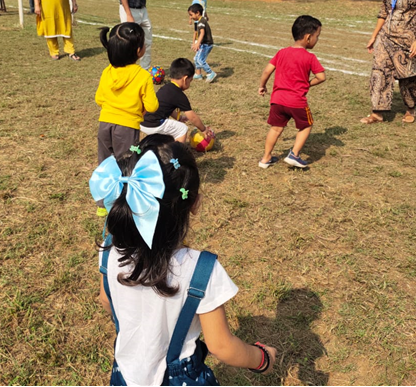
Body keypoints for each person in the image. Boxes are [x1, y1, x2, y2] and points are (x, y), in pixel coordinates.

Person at [90, 134, 278, 386]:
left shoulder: (109, 249)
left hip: (124, 373)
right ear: (194, 204)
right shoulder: (201, 270)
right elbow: (221, 346)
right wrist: (262, 358)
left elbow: (106, 300)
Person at [95, 23, 159, 217]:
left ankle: (102, 203)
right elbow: (153, 106)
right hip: (127, 128)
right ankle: (123, 203)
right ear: (139, 51)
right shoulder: (143, 76)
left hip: (105, 124)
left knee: (105, 163)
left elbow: (99, 99)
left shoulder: (107, 71)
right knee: (127, 165)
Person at [258, 15, 326, 169]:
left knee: (275, 128)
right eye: (317, 36)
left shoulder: (281, 52)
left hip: (277, 100)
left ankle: (265, 158)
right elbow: (321, 77)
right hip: (296, 101)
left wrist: (262, 85)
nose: (317, 39)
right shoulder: (310, 57)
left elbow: (267, 71)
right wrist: (308, 84)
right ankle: (294, 155)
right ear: (308, 37)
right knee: (306, 125)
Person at [141, 58, 213, 143]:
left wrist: (179, 118)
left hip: (143, 122)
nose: (190, 84)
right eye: (190, 81)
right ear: (185, 79)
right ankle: (177, 150)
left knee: (171, 129)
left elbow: (168, 108)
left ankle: (162, 144)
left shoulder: (166, 88)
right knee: (182, 129)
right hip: (154, 124)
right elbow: (192, 117)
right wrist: (203, 129)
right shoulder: (179, 95)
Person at [188, 4, 217, 83]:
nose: (191, 17)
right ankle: (198, 74)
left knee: (200, 60)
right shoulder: (200, 20)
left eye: (191, 15)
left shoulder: (201, 22)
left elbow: (202, 33)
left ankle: (210, 73)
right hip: (203, 44)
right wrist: (195, 43)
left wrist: (198, 43)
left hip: (206, 44)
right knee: (196, 59)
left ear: (197, 13)